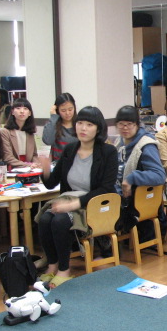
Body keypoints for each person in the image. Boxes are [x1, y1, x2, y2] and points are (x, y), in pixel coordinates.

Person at [36, 106, 118, 288]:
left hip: (94, 205)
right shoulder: (70, 149)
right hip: (69, 202)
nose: (83, 128)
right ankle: (52, 266)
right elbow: (51, 183)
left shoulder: (108, 152)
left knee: (59, 221)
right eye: (80, 123)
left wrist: (75, 204)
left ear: (98, 129)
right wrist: (45, 170)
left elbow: (106, 188)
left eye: (89, 124)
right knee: (45, 219)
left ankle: (65, 270)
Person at [113, 105, 166, 236]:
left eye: (129, 124)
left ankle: (109, 245)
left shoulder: (146, 145)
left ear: (137, 124)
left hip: (136, 202)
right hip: (119, 196)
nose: (125, 128)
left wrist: (132, 178)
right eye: (121, 124)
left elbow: (159, 175)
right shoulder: (119, 142)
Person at [1, 98, 40, 169]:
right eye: (18, 108)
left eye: (25, 108)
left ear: (29, 113)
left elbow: (34, 155)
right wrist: (28, 165)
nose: (22, 111)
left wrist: (36, 164)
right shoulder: (5, 132)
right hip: (12, 169)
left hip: (29, 170)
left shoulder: (30, 133)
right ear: (12, 112)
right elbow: (8, 158)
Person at [42, 92, 77, 163]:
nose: (67, 113)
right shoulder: (53, 124)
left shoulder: (79, 124)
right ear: (57, 110)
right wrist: (53, 117)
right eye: (63, 110)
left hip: (77, 165)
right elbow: (48, 141)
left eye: (70, 109)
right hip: (58, 165)